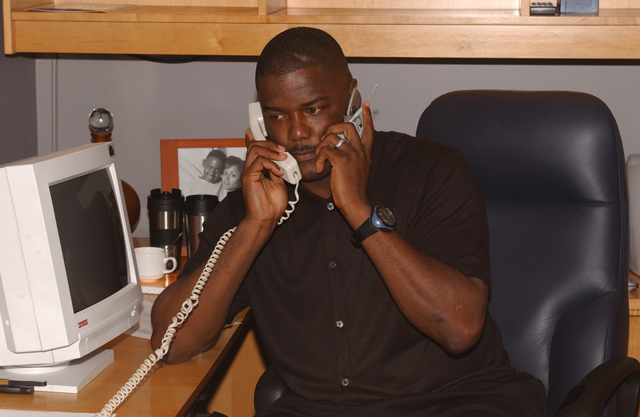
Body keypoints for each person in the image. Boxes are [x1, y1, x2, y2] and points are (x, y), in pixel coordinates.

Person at [151, 27, 546, 416]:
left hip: (457, 401)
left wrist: (359, 209)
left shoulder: (433, 171)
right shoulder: (254, 203)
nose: (297, 133)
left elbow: (459, 329)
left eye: (314, 108)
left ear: (353, 99)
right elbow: (172, 343)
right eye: (277, 116)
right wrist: (254, 228)